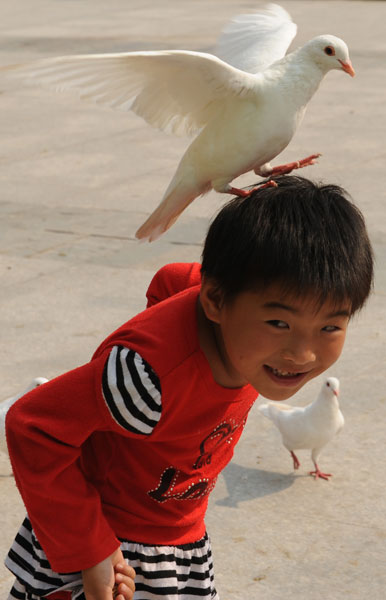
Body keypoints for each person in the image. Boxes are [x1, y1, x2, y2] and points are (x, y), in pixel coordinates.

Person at [4, 176, 374, 600]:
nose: (302, 354)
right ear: (216, 302)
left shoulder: (246, 339)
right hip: (115, 550)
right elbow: (32, 424)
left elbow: (174, 278)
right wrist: (92, 551)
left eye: (330, 326)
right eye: (279, 323)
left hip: (179, 535)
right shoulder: (146, 383)